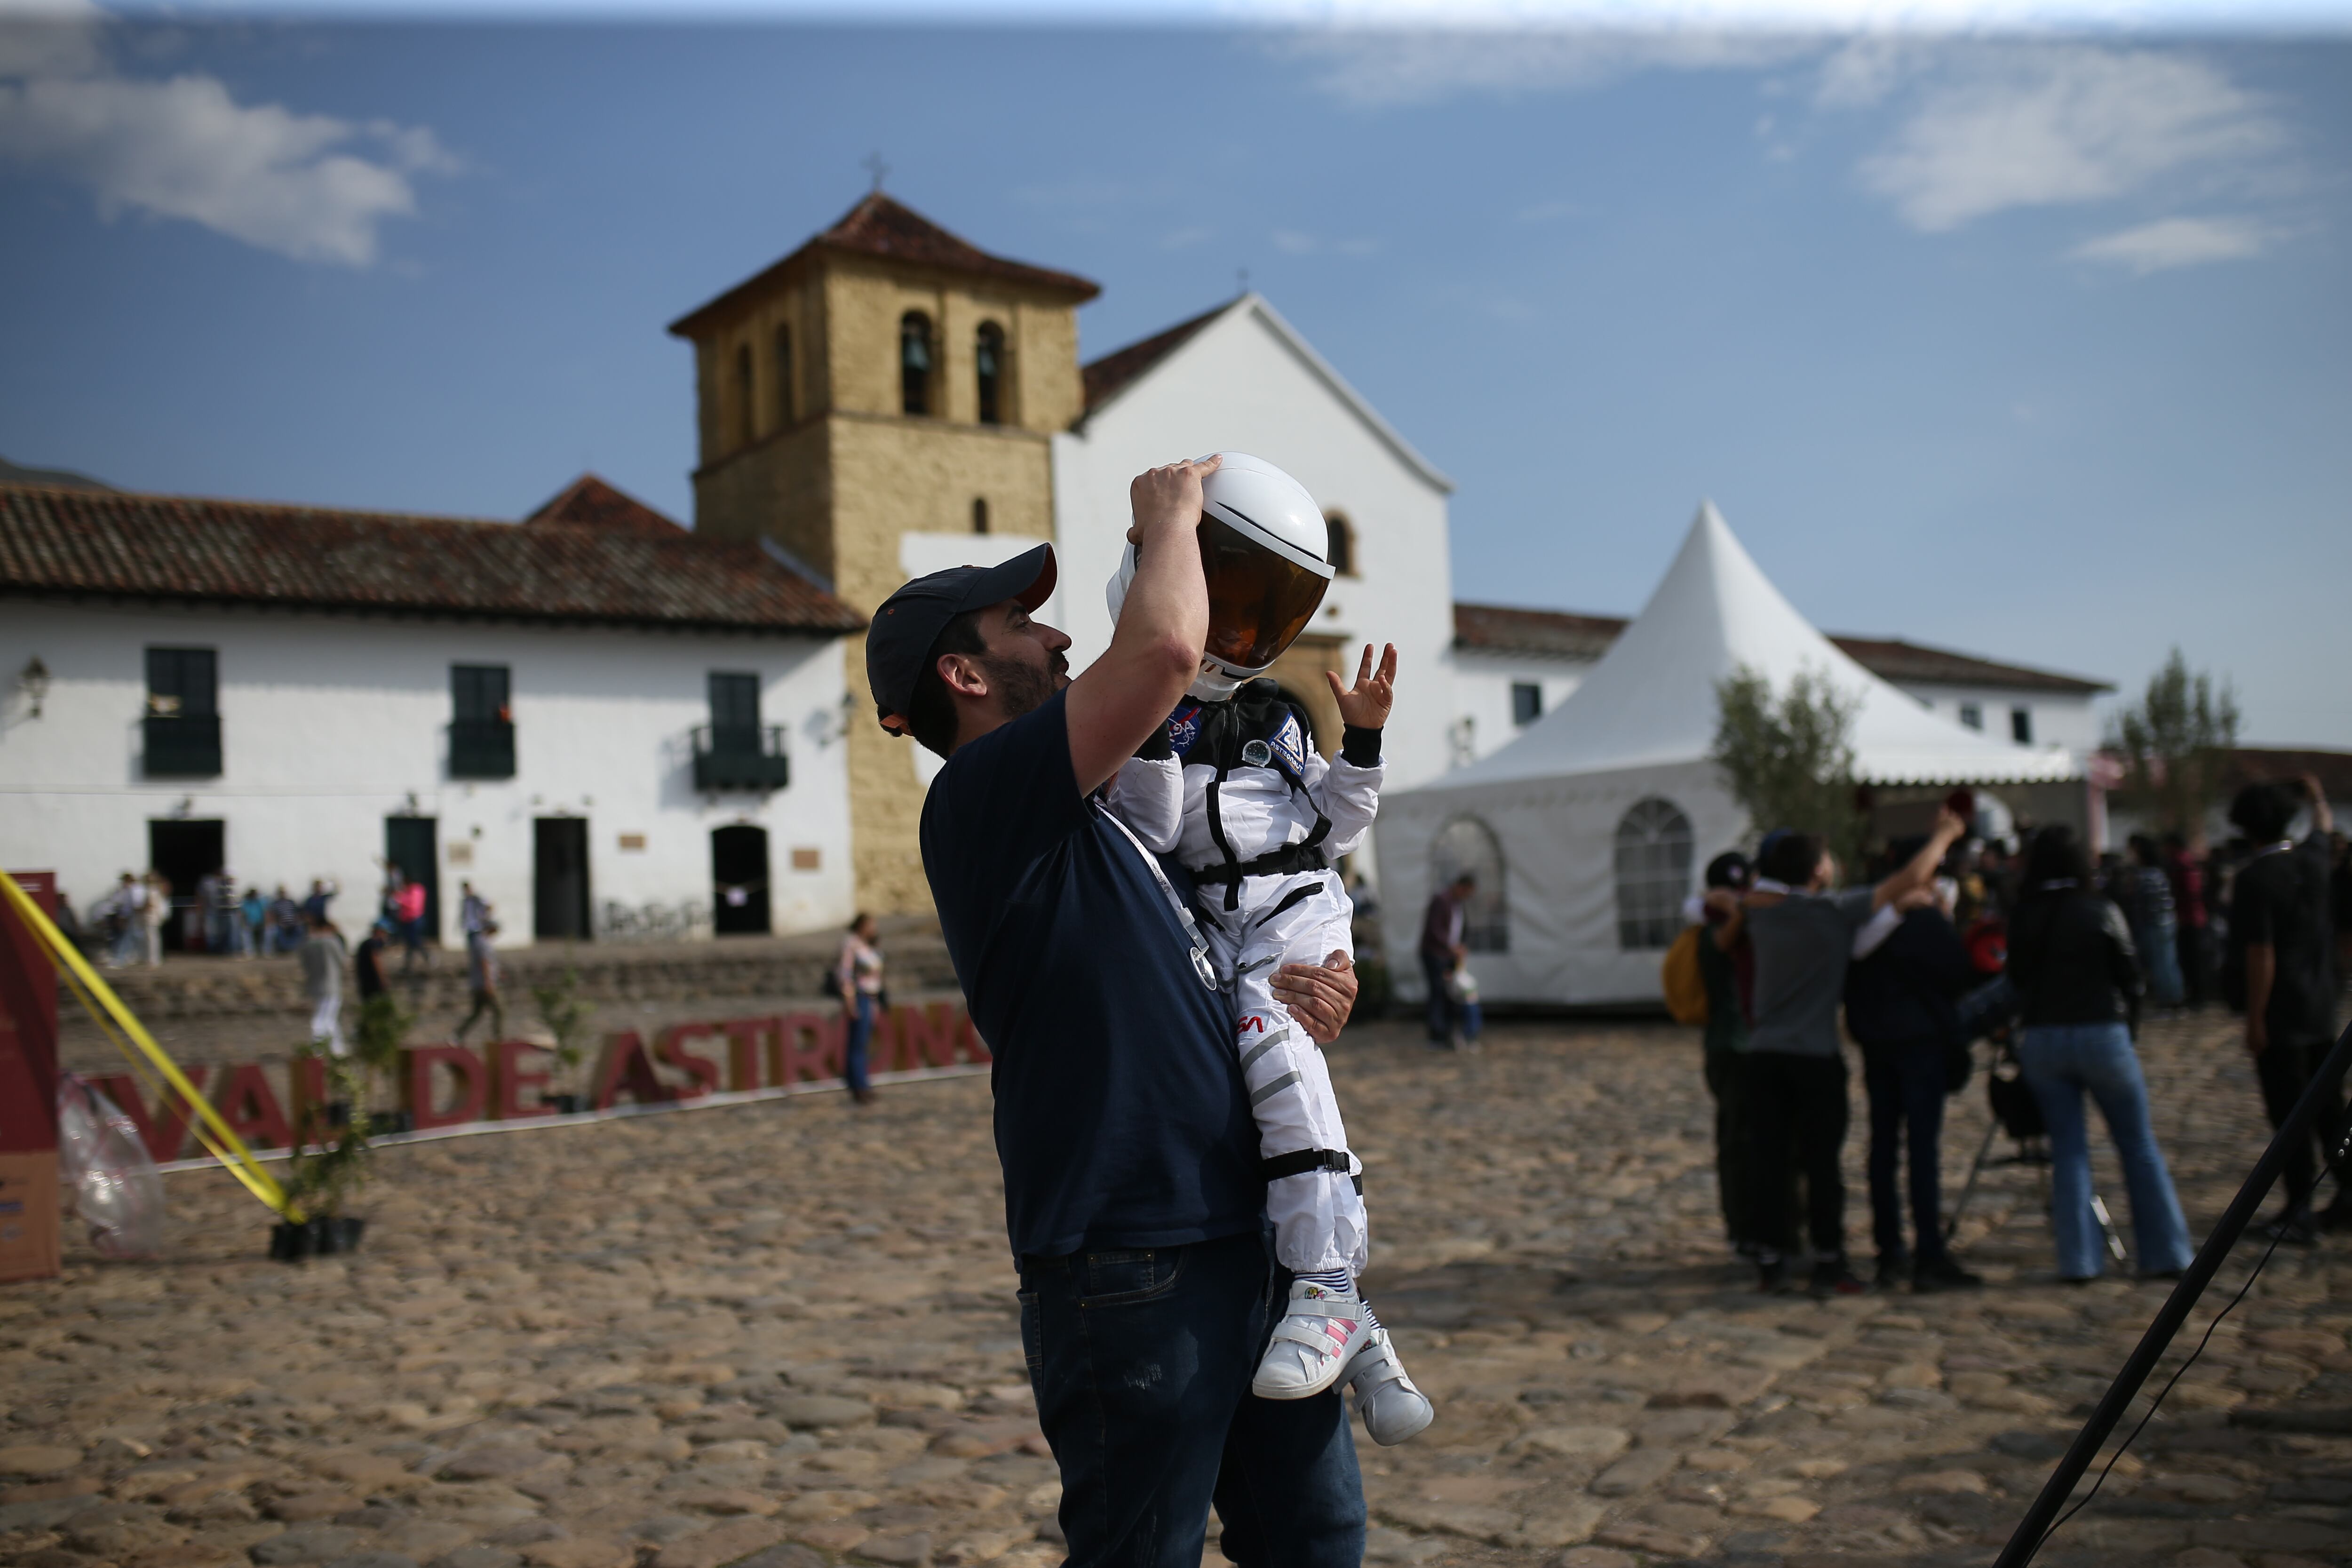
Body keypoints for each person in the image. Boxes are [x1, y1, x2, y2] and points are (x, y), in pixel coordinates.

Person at [866, 455, 1368, 1568]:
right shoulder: (981, 798)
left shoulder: (1113, 813)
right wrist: (1169, 515)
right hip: (1130, 1252)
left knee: (1318, 1539)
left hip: (1240, 1232)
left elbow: (1251, 913)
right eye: (1020, 624)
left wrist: (1318, 974)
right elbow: (1164, 653)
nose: (1056, 637)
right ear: (962, 673)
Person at [1096, 550, 1423, 1436]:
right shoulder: (1141, 720)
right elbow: (1150, 827)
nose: (1240, 632)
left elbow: (1334, 823)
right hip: (1224, 926)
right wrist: (1157, 731)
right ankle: (1362, 1335)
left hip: (1295, 909)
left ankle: (1326, 1278)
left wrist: (1362, 741)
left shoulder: (1276, 711)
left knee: (1273, 1044)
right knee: (1260, 1067)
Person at [1739, 808, 1967, 1296]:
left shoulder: (1759, 911)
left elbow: (1743, 894)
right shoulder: (1834, 912)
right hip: (1815, 1055)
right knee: (1822, 1161)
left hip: (1763, 1054)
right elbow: (1910, 877)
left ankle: (1770, 1260)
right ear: (1817, 871)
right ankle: (1829, 1261)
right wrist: (1945, 835)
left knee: (1769, 1159)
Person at [2007, 824, 2194, 1280]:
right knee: (2137, 1144)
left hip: (2044, 1037)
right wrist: (2127, 1030)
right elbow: (2131, 976)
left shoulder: (2025, 913)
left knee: (2069, 1151)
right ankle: (2167, 1252)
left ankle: (2079, 1260)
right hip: (2100, 1031)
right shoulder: (2100, 908)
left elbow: (2015, 979)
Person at [1843, 850, 1980, 1292]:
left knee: (1883, 1147)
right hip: (1920, 1044)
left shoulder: (1863, 921)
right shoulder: (1922, 920)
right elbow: (1958, 973)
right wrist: (1944, 918)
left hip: (1877, 1043)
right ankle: (1929, 1253)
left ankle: (1890, 1251)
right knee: (1922, 1150)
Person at [2227, 778, 2346, 1242]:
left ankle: (2299, 1206)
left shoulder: (2254, 878)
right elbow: (2322, 826)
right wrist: (2317, 796)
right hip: (2320, 1005)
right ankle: (2348, 1190)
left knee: (2290, 1117)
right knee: (2330, 1111)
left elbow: (2261, 953)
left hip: (2281, 1013)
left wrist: (2255, 1017)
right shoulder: (2314, 860)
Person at [1694, 851, 1758, 1255]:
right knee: (1737, 1141)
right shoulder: (1714, 929)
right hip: (1731, 1046)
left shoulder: (1720, 921)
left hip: (1740, 1044)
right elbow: (1725, 941)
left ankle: (1751, 1225)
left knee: (1746, 1141)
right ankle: (1741, 1228)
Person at [1420, 873, 1481, 1051]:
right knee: (1438, 994)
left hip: (1449, 956)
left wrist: (1462, 947)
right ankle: (1437, 1035)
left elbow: (1462, 929)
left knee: (1451, 996)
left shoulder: (1458, 904)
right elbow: (1435, 929)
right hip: (1436, 955)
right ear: (1461, 887)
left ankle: (1448, 1033)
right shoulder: (1442, 901)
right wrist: (1451, 946)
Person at [834, 912, 883, 1106]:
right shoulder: (851, 944)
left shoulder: (869, 945)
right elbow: (845, 973)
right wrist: (849, 1000)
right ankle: (858, 1085)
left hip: (871, 997)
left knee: (864, 1042)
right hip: (859, 997)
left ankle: (862, 1082)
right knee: (857, 1042)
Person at [300, 912, 349, 1055]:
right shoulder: (331, 942)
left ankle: (338, 1050)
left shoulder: (308, 944)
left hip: (316, 985)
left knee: (329, 1019)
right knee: (322, 1019)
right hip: (331, 985)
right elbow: (343, 962)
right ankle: (319, 1050)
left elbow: (305, 966)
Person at [454, 920, 504, 1046]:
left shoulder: (479, 942)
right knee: (499, 1011)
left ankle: (458, 1034)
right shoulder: (483, 944)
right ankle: (498, 1039)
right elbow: (484, 963)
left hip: (479, 983)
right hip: (484, 984)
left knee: (477, 1013)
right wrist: (488, 983)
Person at [394, 875, 429, 970]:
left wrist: (401, 900)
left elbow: (413, 906)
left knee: (415, 941)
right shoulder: (407, 891)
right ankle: (408, 965)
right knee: (410, 943)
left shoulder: (416, 890)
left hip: (414, 920)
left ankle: (428, 957)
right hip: (407, 920)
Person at [355, 919, 391, 1003]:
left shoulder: (366, 943)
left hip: (365, 982)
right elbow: (376, 962)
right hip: (372, 983)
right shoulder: (374, 944)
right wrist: (383, 979)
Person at [241, 884, 268, 959]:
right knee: (250, 939)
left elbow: (264, 912)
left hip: (260, 923)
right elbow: (243, 913)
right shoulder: (246, 902)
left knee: (261, 939)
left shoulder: (260, 902)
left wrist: (265, 922)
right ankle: (250, 953)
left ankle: (261, 952)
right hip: (250, 923)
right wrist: (244, 923)